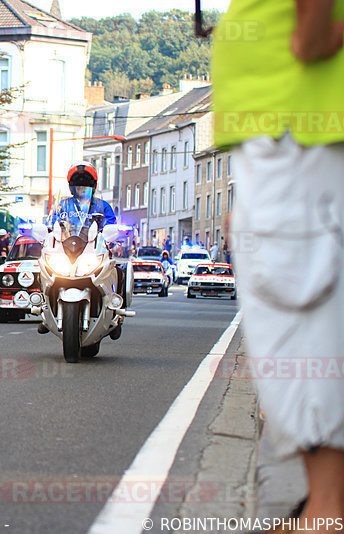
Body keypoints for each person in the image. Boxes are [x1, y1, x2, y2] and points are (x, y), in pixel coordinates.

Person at [214, 1, 344, 530]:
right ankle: (324, 501)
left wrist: (313, 33)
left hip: (297, 117)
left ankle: (327, 512)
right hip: (289, 124)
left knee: (303, 310)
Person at [47, 161, 116, 229]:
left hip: (95, 240)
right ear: (72, 188)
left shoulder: (103, 207)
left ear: (93, 187)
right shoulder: (62, 206)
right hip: (67, 240)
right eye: (78, 186)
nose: (82, 189)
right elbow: (50, 225)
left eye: (86, 186)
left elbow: (111, 229)